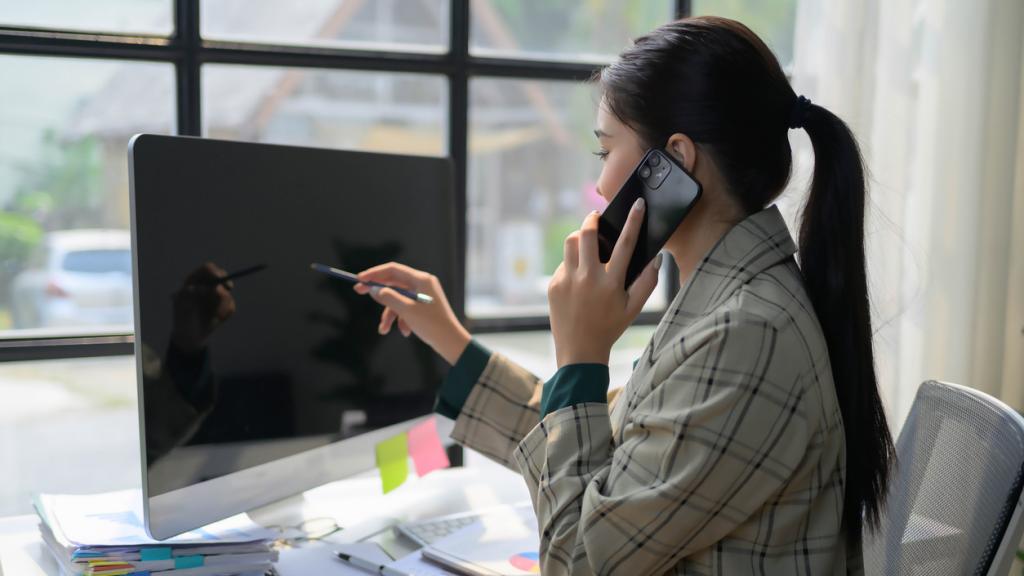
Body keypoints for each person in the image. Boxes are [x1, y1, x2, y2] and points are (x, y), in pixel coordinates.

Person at [354, 16, 894, 575]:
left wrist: (581, 355)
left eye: (605, 152)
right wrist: (453, 343)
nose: (603, 187)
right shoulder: (725, 303)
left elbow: (578, 561)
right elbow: (600, 442)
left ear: (675, 163)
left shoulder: (746, 334)